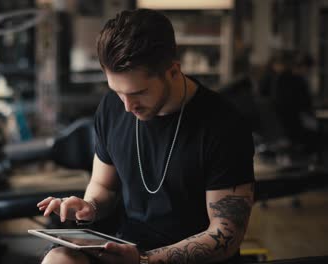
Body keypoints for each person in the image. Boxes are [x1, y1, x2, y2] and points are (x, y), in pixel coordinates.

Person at [38, 9, 255, 264]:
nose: (128, 106)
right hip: (126, 247)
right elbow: (103, 186)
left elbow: (226, 235)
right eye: (118, 91)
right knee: (58, 260)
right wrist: (90, 207)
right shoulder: (111, 107)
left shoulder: (224, 125)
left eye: (138, 92)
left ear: (173, 71)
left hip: (191, 260)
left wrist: (145, 261)